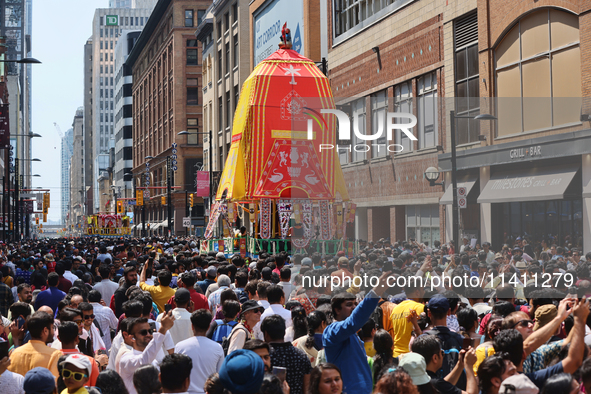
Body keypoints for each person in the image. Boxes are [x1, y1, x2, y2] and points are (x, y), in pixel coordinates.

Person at [323, 272, 390, 394]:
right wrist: (375, 292)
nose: (354, 308)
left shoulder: (353, 333)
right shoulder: (332, 331)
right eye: (349, 305)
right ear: (337, 310)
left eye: (355, 304)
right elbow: (353, 321)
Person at [119, 312, 175, 394]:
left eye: (150, 331)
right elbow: (143, 362)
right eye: (143, 332)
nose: (148, 335)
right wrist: (163, 329)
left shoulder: (153, 361)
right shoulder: (126, 359)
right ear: (132, 337)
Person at [174, 309, 224, 394]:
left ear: (192, 326)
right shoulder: (218, 348)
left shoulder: (180, 346)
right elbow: (220, 375)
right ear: (208, 327)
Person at [411, 333, 478, 394]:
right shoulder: (434, 383)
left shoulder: (415, 379)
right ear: (435, 358)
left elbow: (444, 386)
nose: (443, 356)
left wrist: (460, 364)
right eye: (442, 353)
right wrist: (469, 365)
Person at [261, 314, 312, 394]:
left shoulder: (264, 357)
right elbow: (307, 388)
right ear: (284, 332)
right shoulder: (301, 355)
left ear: (266, 334)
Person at [9, 311, 60, 377]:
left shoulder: (14, 353)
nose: (53, 332)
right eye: (53, 328)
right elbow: (54, 384)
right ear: (45, 331)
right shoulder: (55, 355)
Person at [57, 321, 100, 386]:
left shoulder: (51, 358)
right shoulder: (90, 361)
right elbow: (96, 388)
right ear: (77, 338)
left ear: (58, 338)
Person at [391, 278, 425, 357]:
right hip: (412, 356)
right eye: (422, 289)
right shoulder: (420, 308)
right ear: (417, 292)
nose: (424, 292)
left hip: (396, 355)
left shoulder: (395, 309)